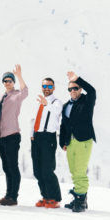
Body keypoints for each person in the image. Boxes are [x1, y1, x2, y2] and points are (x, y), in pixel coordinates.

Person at [60, 71, 96, 213]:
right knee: (74, 171)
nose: (73, 91)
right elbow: (64, 125)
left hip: (83, 140)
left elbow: (92, 91)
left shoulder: (86, 101)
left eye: (75, 88)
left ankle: (80, 201)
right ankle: (79, 197)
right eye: (70, 89)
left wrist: (78, 79)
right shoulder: (66, 106)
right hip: (71, 142)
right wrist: (63, 142)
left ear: (80, 89)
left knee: (80, 171)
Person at [0, 65, 28, 206]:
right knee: (7, 168)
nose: (7, 83)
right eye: (5, 81)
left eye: (10, 80)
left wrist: (19, 76)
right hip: (1, 137)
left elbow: (25, 92)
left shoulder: (17, 95)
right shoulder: (3, 97)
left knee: (13, 167)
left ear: (13, 82)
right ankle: (8, 195)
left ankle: (13, 197)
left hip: (12, 135)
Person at [31, 77, 63, 208]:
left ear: (53, 88)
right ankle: (45, 196)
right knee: (37, 170)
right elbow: (35, 119)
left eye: (49, 86)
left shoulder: (56, 102)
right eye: (44, 86)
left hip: (48, 137)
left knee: (47, 169)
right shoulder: (40, 102)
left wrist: (46, 104)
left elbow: (56, 112)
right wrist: (32, 134)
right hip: (37, 137)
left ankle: (54, 198)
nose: (47, 89)